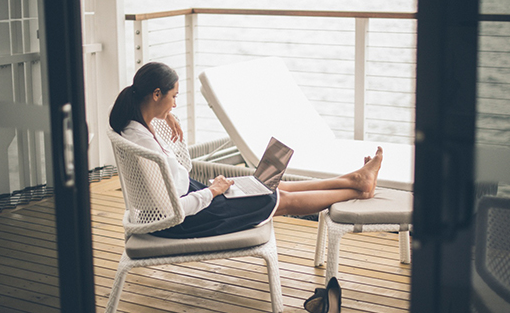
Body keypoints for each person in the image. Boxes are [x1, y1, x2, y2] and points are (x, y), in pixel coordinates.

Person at [109, 62, 383, 239]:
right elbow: (173, 210)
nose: (175, 105)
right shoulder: (144, 147)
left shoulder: (135, 125)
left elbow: (174, 170)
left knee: (265, 185)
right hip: (186, 220)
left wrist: (164, 115)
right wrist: (212, 191)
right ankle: (358, 189)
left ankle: (352, 180)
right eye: (173, 97)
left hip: (190, 197)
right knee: (277, 199)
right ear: (156, 94)